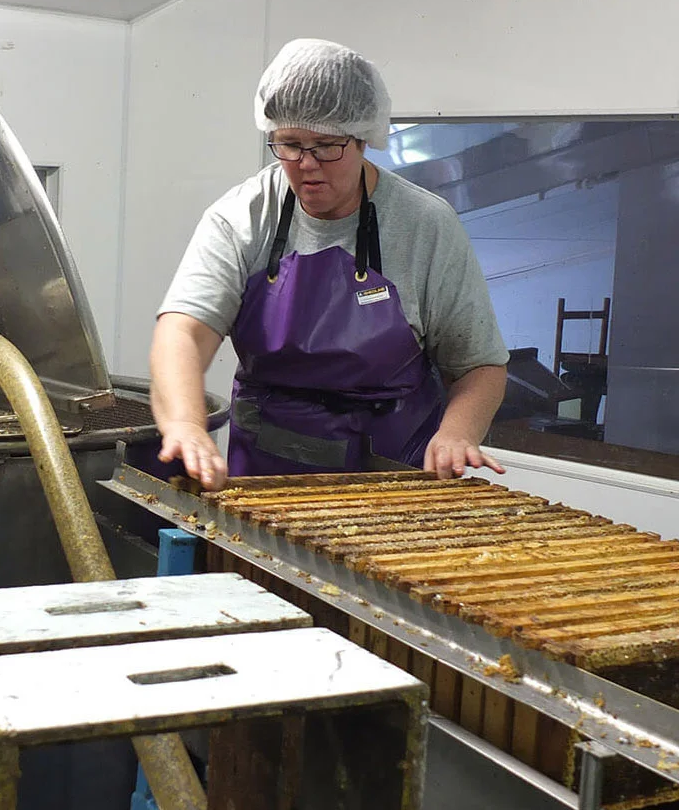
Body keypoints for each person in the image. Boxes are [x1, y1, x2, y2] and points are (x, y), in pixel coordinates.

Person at [150, 38, 509, 490]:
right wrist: (183, 422)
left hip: (394, 480)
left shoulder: (425, 225)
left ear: (364, 139)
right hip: (265, 476)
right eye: (289, 144)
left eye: (325, 146)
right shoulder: (241, 216)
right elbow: (182, 330)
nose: (305, 164)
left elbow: (479, 365)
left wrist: (457, 434)